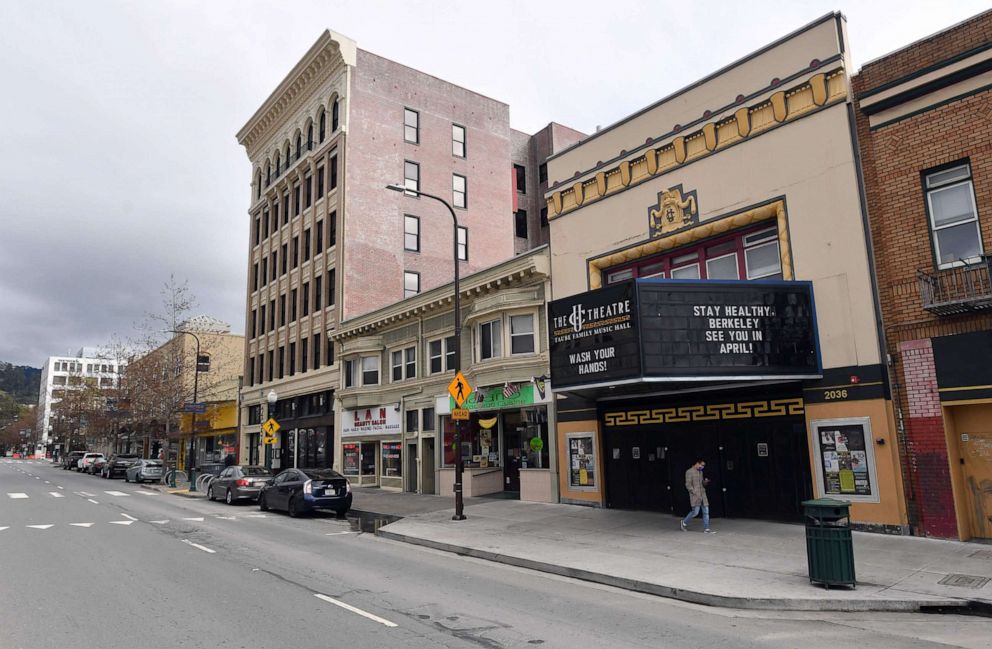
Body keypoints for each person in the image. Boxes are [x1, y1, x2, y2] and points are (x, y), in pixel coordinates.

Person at [681, 459, 716, 534]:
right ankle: (684, 522)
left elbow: (702, 484)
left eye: (703, 466)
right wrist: (694, 492)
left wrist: (705, 482)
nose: (702, 467)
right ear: (697, 463)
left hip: (703, 495)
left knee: (706, 512)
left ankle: (706, 529)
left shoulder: (701, 472)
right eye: (701, 465)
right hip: (695, 496)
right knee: (695, 512)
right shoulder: (689, 472)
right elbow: (688, 484)